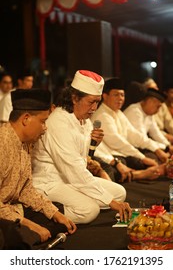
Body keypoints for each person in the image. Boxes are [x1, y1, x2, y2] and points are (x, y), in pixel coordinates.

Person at [31, 70, 132, 224]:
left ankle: (78, 199)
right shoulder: (59, 122)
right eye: (91, 102)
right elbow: (74, 170)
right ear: (74, 98)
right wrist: (110, 202)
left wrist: (94, 144)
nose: (94, 108)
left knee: (119, 192)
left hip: (72, 179)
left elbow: (81, 160)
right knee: (89, 210)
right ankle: (40, 213)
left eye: (97, 102)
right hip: (50, 183)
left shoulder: (84, 119)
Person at [0, 88, 76, 246]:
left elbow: (26, 189)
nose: (45, 128)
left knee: (57, 213)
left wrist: (53, 212)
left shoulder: (26, 143)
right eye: (43, 121)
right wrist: (28, 224)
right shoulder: (2, 143)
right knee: (13, 234)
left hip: (13, 209)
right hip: (4, 215)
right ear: (26, 119)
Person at [91, 78, 164, 183]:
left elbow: (133, 135)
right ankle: (138, 175)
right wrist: (142, 157)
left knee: (147, 158)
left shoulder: (118, 113)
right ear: (105, 96)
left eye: (122, 95)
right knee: (130, 163)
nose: (120, 98)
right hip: (111, 156)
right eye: (116, 95)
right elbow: (117, 142)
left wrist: (157, 149)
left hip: (120, 154)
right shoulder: (102, 115)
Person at [124, 87, 172, 162]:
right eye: (158, 107)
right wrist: (163, 148)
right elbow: (141, 138)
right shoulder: (134, 111)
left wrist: (168, 146)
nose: (158, 110)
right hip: (131, 148)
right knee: (155, 158)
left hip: (143, 145)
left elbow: (156, 133)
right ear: (150, 102)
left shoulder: (149, 114)